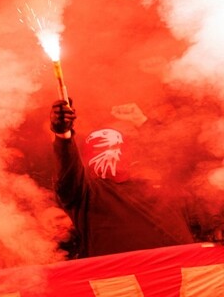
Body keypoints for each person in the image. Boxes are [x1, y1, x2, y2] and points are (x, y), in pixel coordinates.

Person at [51, 101, 192, 258]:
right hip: (122, 278)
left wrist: (142, 122)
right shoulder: (86, 194)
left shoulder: (153, 186)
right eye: (101, 147)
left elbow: (181, 162)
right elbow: (68, 171)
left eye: (117, 146)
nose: (111, 152)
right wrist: (63, 136)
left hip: (182, 272)